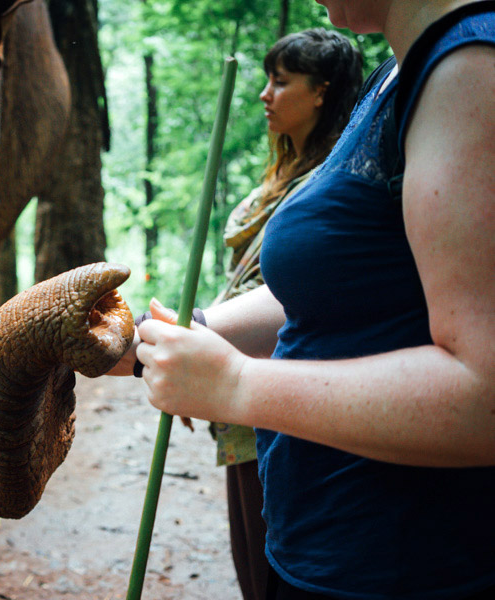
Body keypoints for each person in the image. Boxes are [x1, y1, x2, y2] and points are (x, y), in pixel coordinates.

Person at [119, 1, 495, 598]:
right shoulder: (400, 69)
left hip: (406, 570)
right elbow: (331, 296)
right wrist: (177, 333)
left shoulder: (472, 71)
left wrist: (236, 385)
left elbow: (486, 398)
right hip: (328, 550)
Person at [212, 28, 363, 600]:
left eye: (281, 82)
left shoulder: (333, 182)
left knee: (272, 559)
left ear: (321, 92)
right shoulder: (281, 174)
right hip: (238, 388)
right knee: (247, 553)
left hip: (282, 385)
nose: (264, 95)